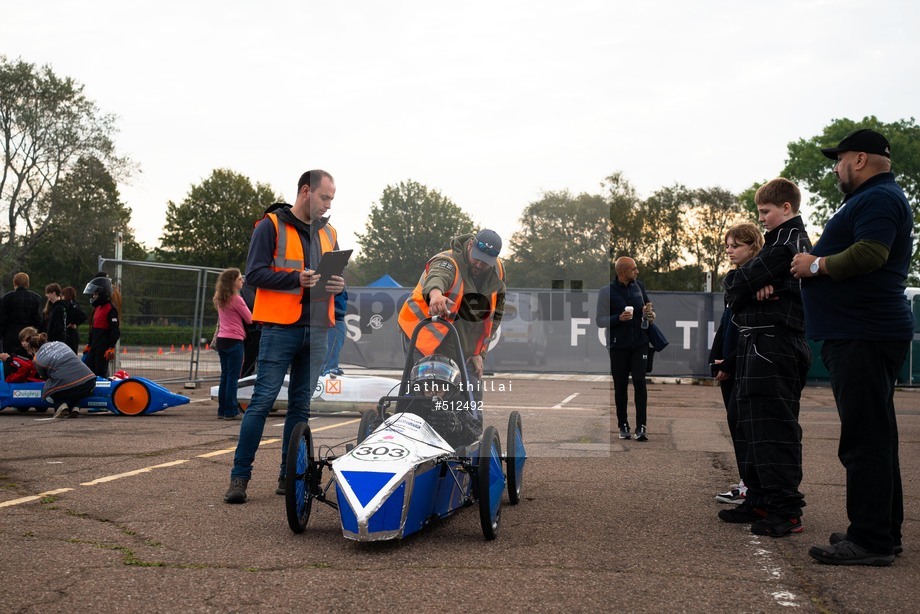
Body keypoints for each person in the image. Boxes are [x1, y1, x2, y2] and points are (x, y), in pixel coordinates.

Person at [792, 128, 912, 566]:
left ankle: (871, 540)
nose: (836, 168)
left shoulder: (878, 199)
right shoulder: (876, 198)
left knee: (864, 441)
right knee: (875, 437)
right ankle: (881, 530)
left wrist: (815, 264)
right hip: (865, 332)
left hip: (864, 333)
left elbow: (871, 254)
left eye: (839, 160)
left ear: (859, 159)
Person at [224, 170, 344, 504]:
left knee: (300, 407)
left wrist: (337, 285)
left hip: (318, 328)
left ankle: (288, 476)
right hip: (279, 328)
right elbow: (254, 275)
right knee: (261, 402)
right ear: (306, 191)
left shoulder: (330, 232)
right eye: (324, 197)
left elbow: (332, 279)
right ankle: (239, 478)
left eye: (332, 198)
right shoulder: (270, 226)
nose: (328, 204)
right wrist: (295, 279)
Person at [717, 178, 811, 538]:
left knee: (774, 430)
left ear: (786, 208)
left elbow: (736, 287)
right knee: (750, 426)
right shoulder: (776, 245)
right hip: (757, 347)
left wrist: (745, 284)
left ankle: (786, 510)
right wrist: (745, 283)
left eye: (766, 212)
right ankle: (759, 498)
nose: (763, 219)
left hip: (775, 348)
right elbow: (735, 288)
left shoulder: (788, 244)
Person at [396, 229, 507, 443]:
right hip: (423, 331)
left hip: (458, 335)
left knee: (468, 384)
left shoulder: (497, 271)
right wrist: (436, 294)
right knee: (427, 385)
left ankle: (465, 436)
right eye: (477, 259)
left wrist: (478, 353)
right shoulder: (447, 261)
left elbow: (493, 316)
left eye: (486, 262)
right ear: (470, 245)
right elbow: (437, 277)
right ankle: (414, 435)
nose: (479, 265)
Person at [709, 223, 764, 505]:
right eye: (727, 246)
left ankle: (751, 486)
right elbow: (725, 323)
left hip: (745, 362)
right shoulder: (736, 280)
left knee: (745, 424)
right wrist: (716, 357)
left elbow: (749, 330)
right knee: (735, 421)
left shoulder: (758, 280)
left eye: (736, 246)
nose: (729, 250)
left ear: (753, 246)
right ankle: (746, 482)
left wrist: (730, 360)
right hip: (730, 362)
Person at [595, 257, 656, 441]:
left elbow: (649, 309)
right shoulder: (606, 292)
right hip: (618, 346)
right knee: (620, 386)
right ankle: (623, 425)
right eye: (634, 269)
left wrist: (650, 314)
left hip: (640, 344)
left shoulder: (639, 286)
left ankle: (641, 427)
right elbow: (600, 320)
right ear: (623, 272)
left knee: (640, 382)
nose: (637, 272)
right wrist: (618, 319)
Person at [27, 331, 97, 419]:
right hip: (89, 381)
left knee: (50, 386)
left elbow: (45, 377)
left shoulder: (37, 358)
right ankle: (75, 407)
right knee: (74, 388)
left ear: (34, 349)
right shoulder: (60, 344)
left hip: (69, 387)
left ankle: (60, 405)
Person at [213, 268, 253, 420]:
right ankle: (231, 410)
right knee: (233, 378)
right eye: (239, 279)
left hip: (222, 340)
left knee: (225, 376)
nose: (242, 281)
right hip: (235, 340)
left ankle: (222, 409)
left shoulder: (219, 298)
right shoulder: (236, 299)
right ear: (233, 282)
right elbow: (249, 319)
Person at [83, 274, 121, 377]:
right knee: (88, 369)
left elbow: (115, 330)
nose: (93, 297)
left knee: (100, 371)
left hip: (103, 347)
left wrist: (111, 347)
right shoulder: (97, 308)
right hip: (94, 345)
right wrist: (89, 344)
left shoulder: (110, 309)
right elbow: (92, 328)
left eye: (96, 294)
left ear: (103, 293)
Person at [0, 272, 43, 354]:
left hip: (10, 335)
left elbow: (2, 319)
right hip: (29, 335)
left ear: (15, 283)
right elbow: (39, 319)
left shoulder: (6, 298)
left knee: (10, 360)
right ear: (27, 283)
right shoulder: (36, 298)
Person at [322, 290, 348, 376]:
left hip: (335, 320)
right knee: (329, 358)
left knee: (331, 352)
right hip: (333, 321)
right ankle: (328, 370)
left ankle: (329, 368)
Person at [60, 286, 87, 354]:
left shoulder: (70, 305)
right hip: (73, 334)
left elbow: (82, 316)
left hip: (70, 334)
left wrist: (73, 323)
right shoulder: (75, 303)